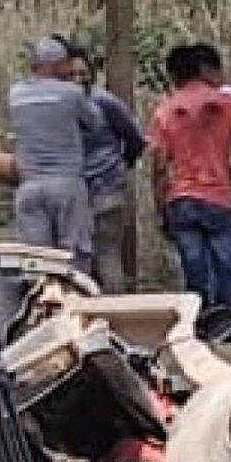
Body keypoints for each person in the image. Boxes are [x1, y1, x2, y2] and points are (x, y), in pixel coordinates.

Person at [149, 42, 231, 344]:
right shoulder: (227, 104)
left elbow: (158, 167)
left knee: (195, 275)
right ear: (204, 70)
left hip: (182, 200)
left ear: (175, 76)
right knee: (230, 271)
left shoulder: (166, 111)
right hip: (220, 199)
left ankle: (199, 337)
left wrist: (161, 208)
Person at [5, 36, 98, 265]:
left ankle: (42, 299)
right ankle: (72, 300)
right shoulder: (71, 93)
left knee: (38, 262)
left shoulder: (15, 94)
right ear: (58, 64)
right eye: (67, 63)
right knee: (74, 259)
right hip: (67, 185)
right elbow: (95, 123)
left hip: (29, 187)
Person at [72, 46, 146, 293]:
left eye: (82, 73)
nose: (79, 78)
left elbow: (135, 138)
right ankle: (114, 311)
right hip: (90, 189)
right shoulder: (105, 102)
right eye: (73, 73)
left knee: (90, 256)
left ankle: (84, 312)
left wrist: (123, 163)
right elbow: (134, 137)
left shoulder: (100, 102)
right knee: (105, 256)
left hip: (101, 189)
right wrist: (124, 162)